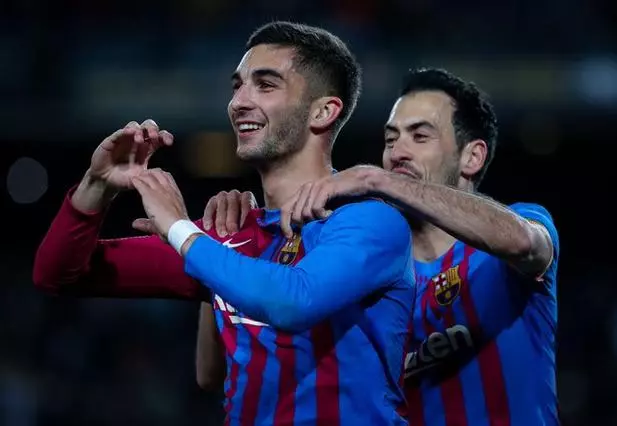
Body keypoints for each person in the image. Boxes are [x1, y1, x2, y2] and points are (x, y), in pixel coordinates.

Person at [33, 22, 416, 425]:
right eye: (237, 86)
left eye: (265, 85)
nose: (238, 102)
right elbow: (59, 273)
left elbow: (294, 301)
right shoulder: (227, 238)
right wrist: (97, 185)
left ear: (323, 112)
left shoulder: (371, 221)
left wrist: (180, 229)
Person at [200, 68, 560, 425]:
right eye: (390, 139)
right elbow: (210, 373)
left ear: (472, 157)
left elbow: (524, 243)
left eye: (420, 136)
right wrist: (228, 241)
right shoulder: (361, 270)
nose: (397, 152)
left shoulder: (515, 232)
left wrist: (375, 179)